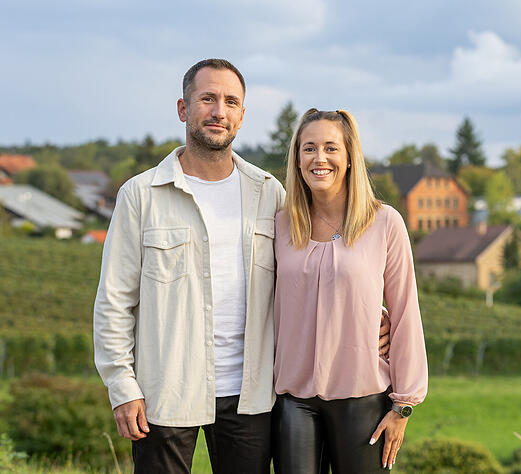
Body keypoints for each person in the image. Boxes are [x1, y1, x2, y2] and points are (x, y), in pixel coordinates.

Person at [93, 59, 389, 474]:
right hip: (164, 390)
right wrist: (122, 387)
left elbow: (315, 268)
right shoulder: (141, 195)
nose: (219, 111)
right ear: (183, 108)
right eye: (207, 99)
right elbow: (114, 302)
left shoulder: (270, 195)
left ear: (242, 115)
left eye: (231, 101)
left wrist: (370, 317)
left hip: (251, 396)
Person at [272, 109, 428, 473]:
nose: (319, 158)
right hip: (293, 400)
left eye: (331, 148)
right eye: (309, 148)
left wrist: (403, 405)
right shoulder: (280, 224)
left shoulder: (384, 222)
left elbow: (405, 311)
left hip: (363, 399)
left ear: (348, 157)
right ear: (297, 159)